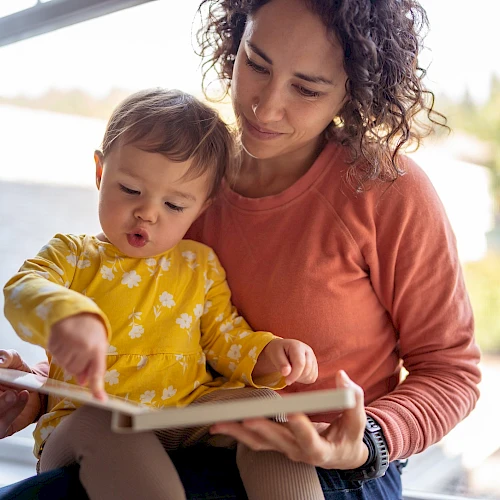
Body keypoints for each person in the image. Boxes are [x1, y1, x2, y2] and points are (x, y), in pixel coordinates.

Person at [0, 0, 481, 498]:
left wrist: (365, 441)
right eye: (256, 63)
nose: (265, 106)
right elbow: (138, 319)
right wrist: (34, 390)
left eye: (306, 88)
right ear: (235, 41)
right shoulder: (186, 181)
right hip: (182, 435)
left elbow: (451, 372)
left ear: (352, 91)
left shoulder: (388, 190)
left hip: (337, 467)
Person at [2, 87, 324, 500]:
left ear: (202, 208)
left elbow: (224, 337)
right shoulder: (75, 254)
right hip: (83, 424)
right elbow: (22, 289)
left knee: (267, 406)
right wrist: (66, 316)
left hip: (183, 414)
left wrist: (268, 355)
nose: (148, 213)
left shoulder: (199, 265)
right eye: (131, 190)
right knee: (107, 421)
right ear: (100, 173)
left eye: (174, 205)